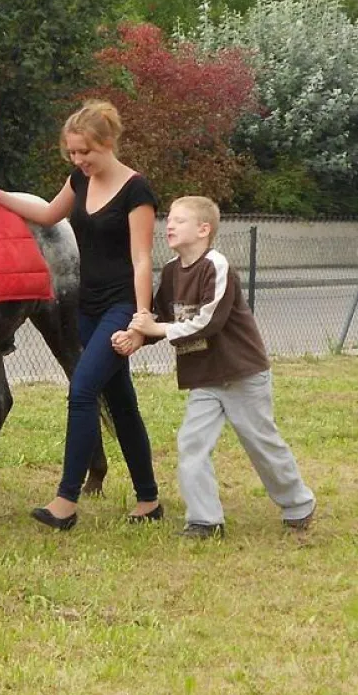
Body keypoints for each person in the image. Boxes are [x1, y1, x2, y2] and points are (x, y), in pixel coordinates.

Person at [0, 100, 161, 529]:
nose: (78, 159)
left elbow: (142, 258)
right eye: (71, 152)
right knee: (121, 403)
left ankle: (65, 501)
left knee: (83, 390)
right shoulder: (79, 180)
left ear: (108, 142)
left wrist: (142, 318)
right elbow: (49, 214)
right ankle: (148, 499)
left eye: (85, 151)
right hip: (89, 307)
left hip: (123, 306)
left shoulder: (137, 191)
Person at [122, 195, 316, 538]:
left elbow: (207, 322)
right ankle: (205, 520)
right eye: (169, 219)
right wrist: (137, 336)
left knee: (261, 443)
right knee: (191, 443)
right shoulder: (171, 272)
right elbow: (163, 317)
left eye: (179, 220)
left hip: (242, 373)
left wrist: (157, 329)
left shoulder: (216, 266)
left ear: (203, 229)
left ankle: (298, 504)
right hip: (205, 379)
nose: (169, 225)